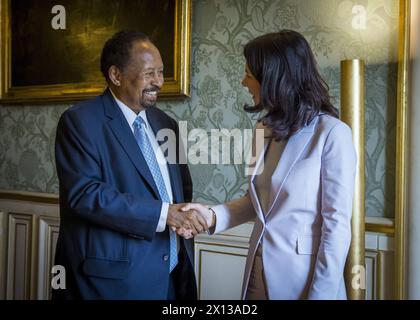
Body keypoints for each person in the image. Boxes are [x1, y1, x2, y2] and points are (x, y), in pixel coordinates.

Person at [181, 30, 357, 300]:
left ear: (274, 77)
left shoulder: (333, 133)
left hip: (306, 280)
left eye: (249, 74)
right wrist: (210, 216)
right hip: (258, 270)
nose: (243, 82)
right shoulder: (264, 130)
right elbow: (258, 204)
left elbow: (336, 227)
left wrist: (320, 295)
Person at [53, 30, 208, 300]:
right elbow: (85, 194)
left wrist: (183, 218)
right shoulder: (80, 122)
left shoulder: (166, 124)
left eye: (161, 72)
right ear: (115, 75)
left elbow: (181, 188)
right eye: (149, 73)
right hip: (111, 285)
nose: (158, 82)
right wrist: (165, 214)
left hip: (172, 277)